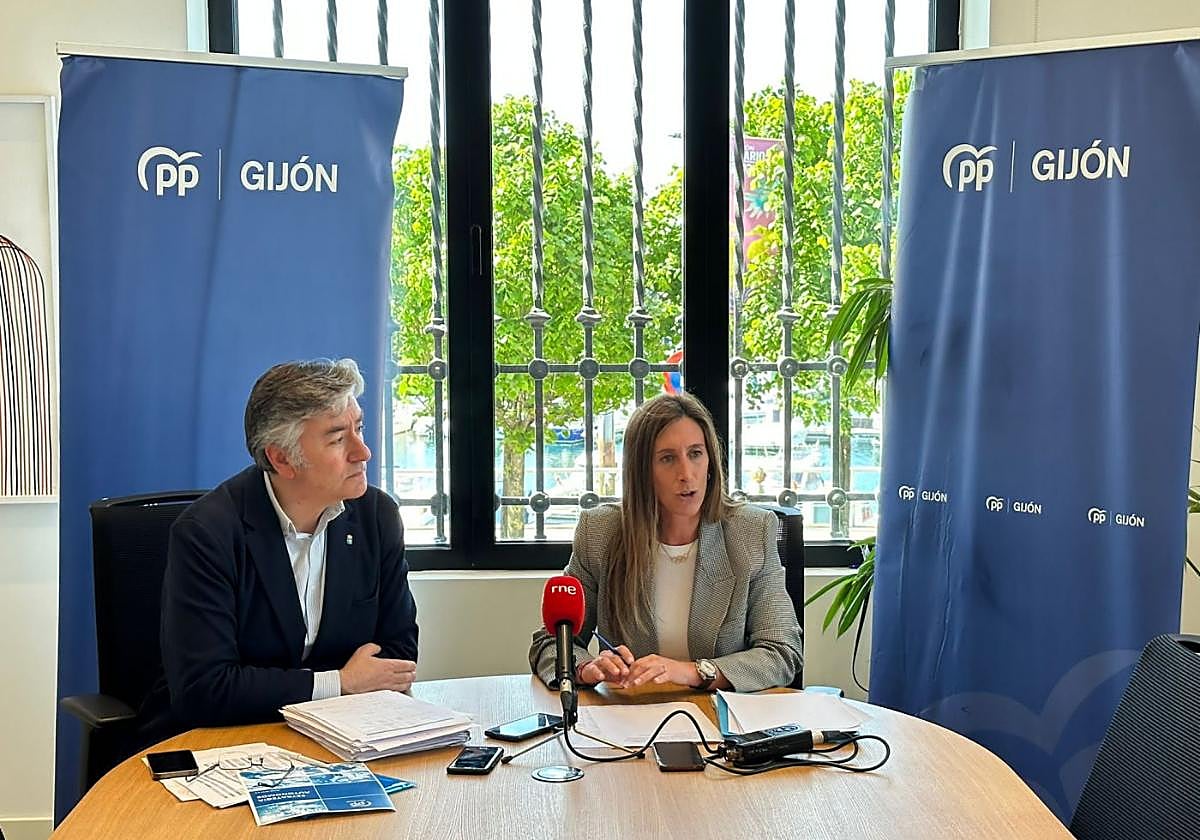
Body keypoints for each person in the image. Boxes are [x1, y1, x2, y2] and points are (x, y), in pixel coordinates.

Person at [142, 358, 418, 737]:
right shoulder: (208, 532)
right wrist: (339, 682)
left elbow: (397, 656)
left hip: (343, 737)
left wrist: (346, 690)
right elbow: (204, 689)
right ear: (281, 458)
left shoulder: (376, 516)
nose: (363, 452)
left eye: (360, 428)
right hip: (216, 741)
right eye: (338, 439)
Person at [529, 392, 802, 694]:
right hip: (632, 717)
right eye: (668, 459)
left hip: (723, 721)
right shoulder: (601, 533)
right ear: (642, 471)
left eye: (696, 454)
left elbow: (782, 652)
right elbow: (552, 642)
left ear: (711, 462)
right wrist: (585, 668)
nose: (686, 474)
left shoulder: (750, 531)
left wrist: (692, 672)